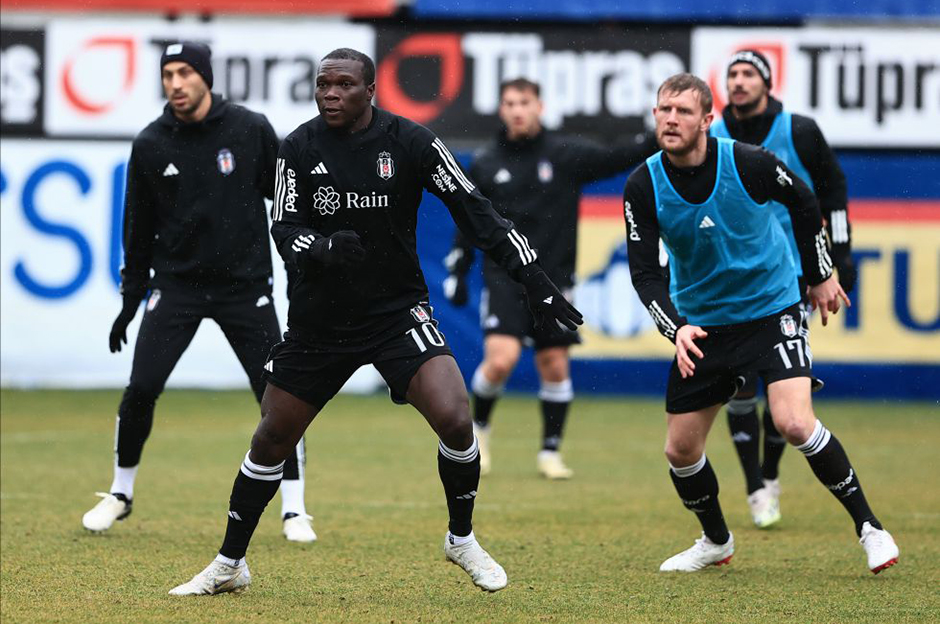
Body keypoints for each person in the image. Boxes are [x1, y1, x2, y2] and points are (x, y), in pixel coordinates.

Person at [168, 48, 582, 596]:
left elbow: (476, 210)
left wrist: (535, 282)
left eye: (343, 84)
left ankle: (461, 539)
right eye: (323, 84)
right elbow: (284, 229)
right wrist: (323, 248)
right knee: (271, 439)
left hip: (396, 313)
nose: (330, 94)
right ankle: (229, 564)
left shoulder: (412, 142)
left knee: (456, 418)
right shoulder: (298, 146)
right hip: (321, 323)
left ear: (370, 91)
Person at [623, 73, 898, 574]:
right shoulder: (643, 184)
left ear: (707, 120)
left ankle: (871, 529)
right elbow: (643, 272)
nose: (670, 119)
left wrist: (819, 274)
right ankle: (715, 541)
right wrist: (676, 328)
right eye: (663, 109)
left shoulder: (748, 162)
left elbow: (805, 200)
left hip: (772, 309)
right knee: (680, 450)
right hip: (703, 324)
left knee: (794, 422)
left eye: (683, 111)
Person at [81, 42, 315, 544]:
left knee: (277, 394)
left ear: (205, 77)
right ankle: (120, 493)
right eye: (168, 74)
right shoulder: (151, 142)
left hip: (244, 287)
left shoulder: (250, 129)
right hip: (176, 288)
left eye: (185, 72)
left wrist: (303, 261)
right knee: (142, 387)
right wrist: (130, 300)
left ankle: (294, 508)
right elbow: (136, 229)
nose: (175, 83)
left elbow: (285, 202)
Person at [444, 78, 656, 479]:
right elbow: (472, 218)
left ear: (539, 106)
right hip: (505, 277)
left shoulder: (564, 154)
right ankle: (479, 432)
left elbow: (616, 158)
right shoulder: (486, 161)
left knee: (554, 364)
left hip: (555, 279)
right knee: (500, 361)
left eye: (524, 102)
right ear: (501, 109)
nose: (517, 110)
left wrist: (652, 139)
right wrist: (459, 265)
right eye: (510, 103)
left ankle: (550, 452)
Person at [710, 49, 857, 528]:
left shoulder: (799, 131)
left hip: (792, 272)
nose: (738, 81)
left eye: (748, 73)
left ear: (767, 82)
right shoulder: (713, 133)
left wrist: (839, 257)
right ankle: (755, 485)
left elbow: (833, 191)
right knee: (738, 382)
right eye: (732, 74)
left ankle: (769, 475)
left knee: (779, 380)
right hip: (732, 274)